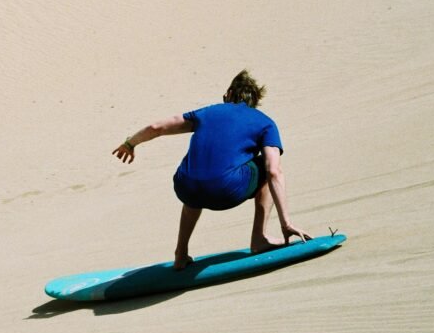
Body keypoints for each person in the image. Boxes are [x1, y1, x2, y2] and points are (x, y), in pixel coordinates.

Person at [112, 70, 312, 270]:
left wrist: (130, 144)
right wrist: (286, 223)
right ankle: (259, 238)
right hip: (225, 191)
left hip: (185, 188)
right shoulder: (265, 122)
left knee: (197, 170)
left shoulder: (207, 112)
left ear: (229, 93)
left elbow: (156, 127)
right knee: (264, 167)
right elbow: (274, 171)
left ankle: (180, 253)